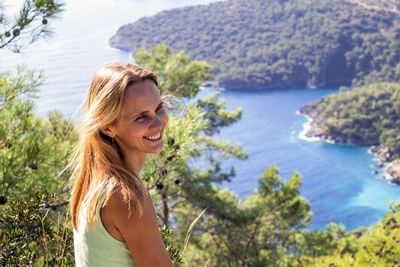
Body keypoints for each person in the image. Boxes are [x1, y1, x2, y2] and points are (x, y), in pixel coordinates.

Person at [69, 62, 173, 266]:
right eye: (141, 117)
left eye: (158, 108)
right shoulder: (127, 198)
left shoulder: (91, 181)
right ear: (108, 126)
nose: (159, 122)